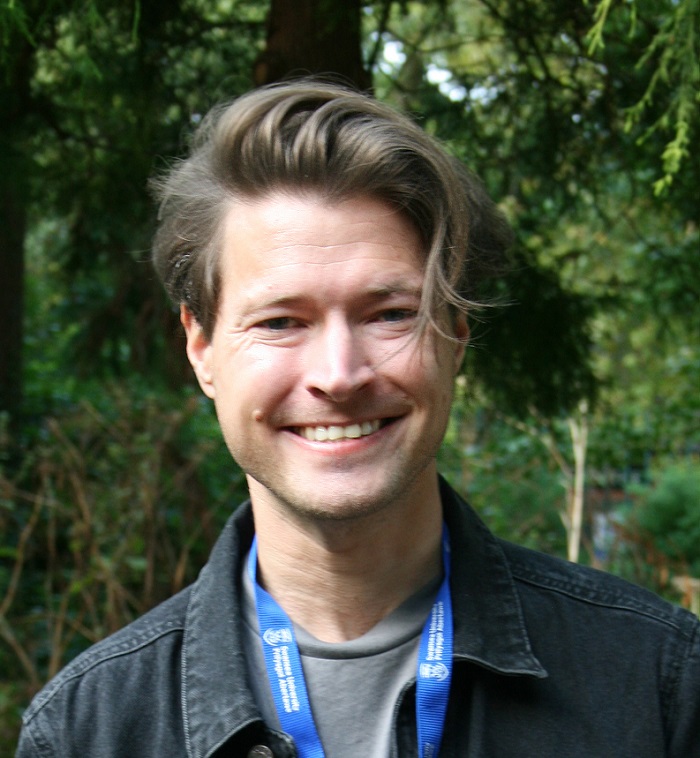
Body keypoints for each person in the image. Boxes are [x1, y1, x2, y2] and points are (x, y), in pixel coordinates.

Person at [17, 80, 700, 758]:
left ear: (455, 336)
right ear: (202, 349)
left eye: (391, 314)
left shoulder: (656, 688)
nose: (339, 375)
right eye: (280, 322)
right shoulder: (87, 732)